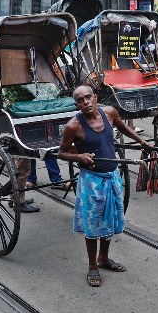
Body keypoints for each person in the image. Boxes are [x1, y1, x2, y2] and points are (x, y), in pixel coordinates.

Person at [58, 85, 151, 287]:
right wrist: (79, 156)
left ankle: (104, 258)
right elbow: (61, 153)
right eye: (80, 100)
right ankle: (92, 266)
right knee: (93, 224)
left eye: (88, 97)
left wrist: (142, 141)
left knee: (109, 218)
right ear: (76, 104)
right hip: (91, 179)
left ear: (96, 97)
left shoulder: (109, 112)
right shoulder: (73, 126)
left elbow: (124, 127)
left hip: (112, 175)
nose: (86, 102)